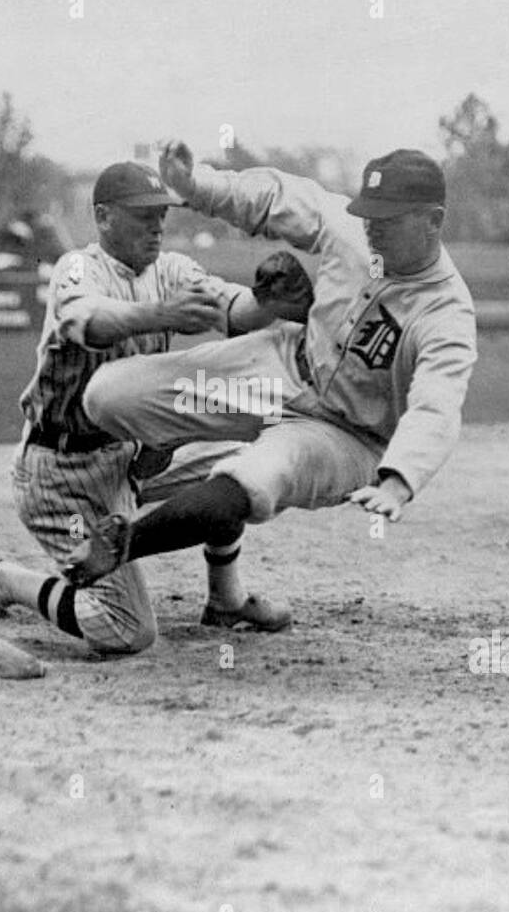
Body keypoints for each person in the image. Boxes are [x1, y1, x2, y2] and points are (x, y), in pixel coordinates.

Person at [64, 141, 477, 590]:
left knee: (252, 482)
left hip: (346, 436)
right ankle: (172, 439)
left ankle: (122, 545)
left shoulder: (445, 313)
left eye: (388, 220)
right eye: (369, 214)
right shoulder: (353, 230)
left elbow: (437, 407)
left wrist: (399, 479)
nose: (372, 229)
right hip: (279, 367)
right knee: (106, 395)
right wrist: (194, 182)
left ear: (434, 221)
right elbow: (271, 198)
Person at [0, 160, 291, 655]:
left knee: (236, 471)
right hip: (64, 471)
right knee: (126, 630)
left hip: (129, 459)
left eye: (161, 214)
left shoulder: (171, 269)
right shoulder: (78, 268)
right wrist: (157, 314)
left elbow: (235, 309)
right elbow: (88, 322)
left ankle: (226, 599)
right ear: (104, 217)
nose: (157, 225)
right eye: (142, 215)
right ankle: (3, 581)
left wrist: (273, 300)